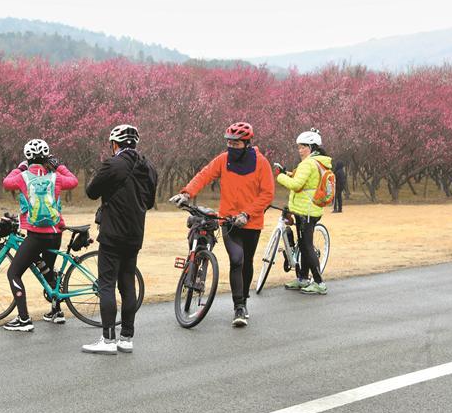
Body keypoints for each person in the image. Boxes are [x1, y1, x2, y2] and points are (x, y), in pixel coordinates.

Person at [169, 122, 274, 327]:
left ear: (246, 143)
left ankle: (244, 297)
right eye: (229, 143)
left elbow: (267, 194)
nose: (231, 147)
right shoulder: (224, 159)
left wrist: (247, 213)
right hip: (228, 220)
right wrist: (186, 193)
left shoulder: (261, 163)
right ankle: (239, 307)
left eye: (236, 144)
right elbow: (204, 174)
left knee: (247, 262)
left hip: (251, 222)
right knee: (236, 260)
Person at [82, 124, 158, 355]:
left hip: (112, 232)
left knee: (106, 284)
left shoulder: (112, 164)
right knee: (127, 283)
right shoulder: (149, 168)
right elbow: (149, 201)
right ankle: (126, 337)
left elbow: (91, 192)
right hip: (135, 234)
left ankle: (107, 339)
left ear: (115, 144)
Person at [1, 139, 79, 331]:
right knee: (48, 272)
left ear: (27, 159)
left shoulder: (23, 176)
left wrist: (19, 168)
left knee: (13, 273)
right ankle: (56, 311)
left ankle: (24, 319)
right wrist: (59, 166)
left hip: (36, 235)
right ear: (47, 158)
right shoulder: (56, 177)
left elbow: (6, 183)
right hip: (55, 232)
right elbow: (74, 181)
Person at [273, 128, 332, 295]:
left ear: (311, 147)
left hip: (306, 211)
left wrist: (279, 176)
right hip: (309, 209)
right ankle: (303, 279)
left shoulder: (308, 163)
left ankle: (319, 282)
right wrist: (287, 173)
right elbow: (304, 180)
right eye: (298, 147)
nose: (299, 150)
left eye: (302, 147)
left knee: (306, 247)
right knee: (304, 244)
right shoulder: (319, 161)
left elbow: (296, 185)